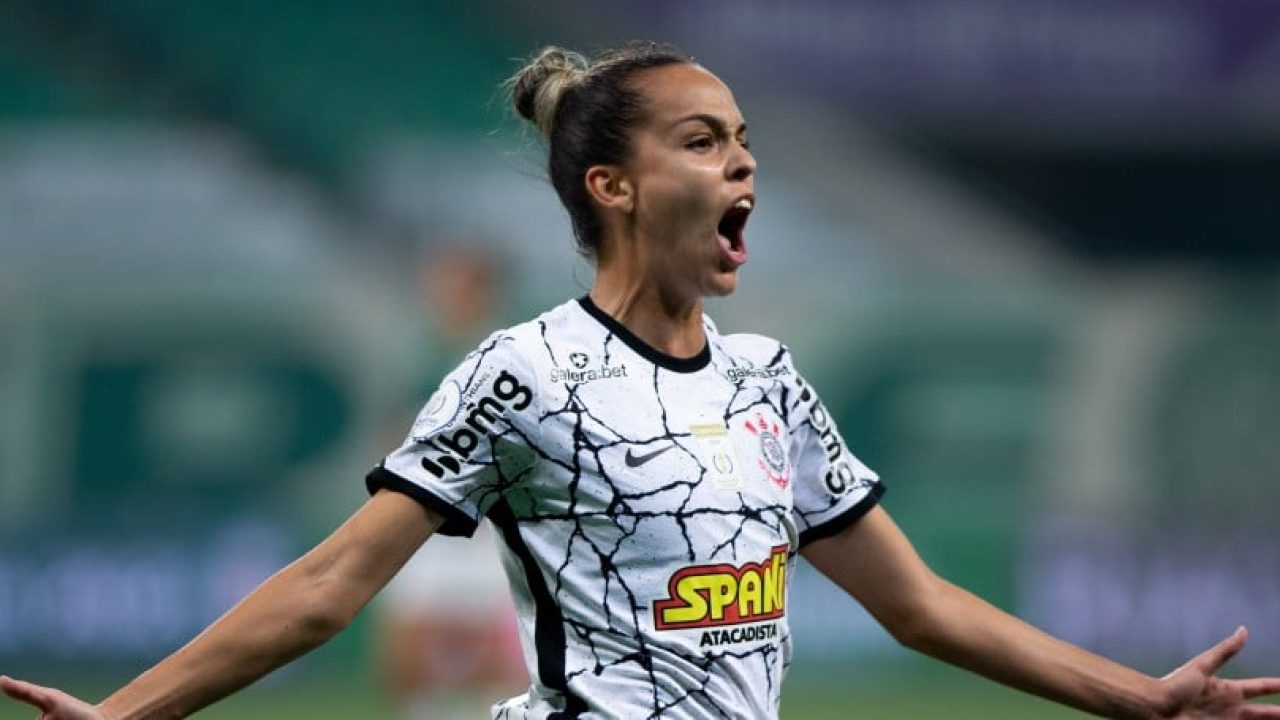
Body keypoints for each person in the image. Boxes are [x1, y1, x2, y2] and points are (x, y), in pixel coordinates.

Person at [3, 41, 1279, 720]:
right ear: (609, 186)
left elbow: (922, 607)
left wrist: (1137, 699)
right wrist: (131, 718)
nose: (742, 170)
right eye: (702, 142)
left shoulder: (771, 383)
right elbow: (329, 586)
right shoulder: (522, 375)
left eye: (746, 145)